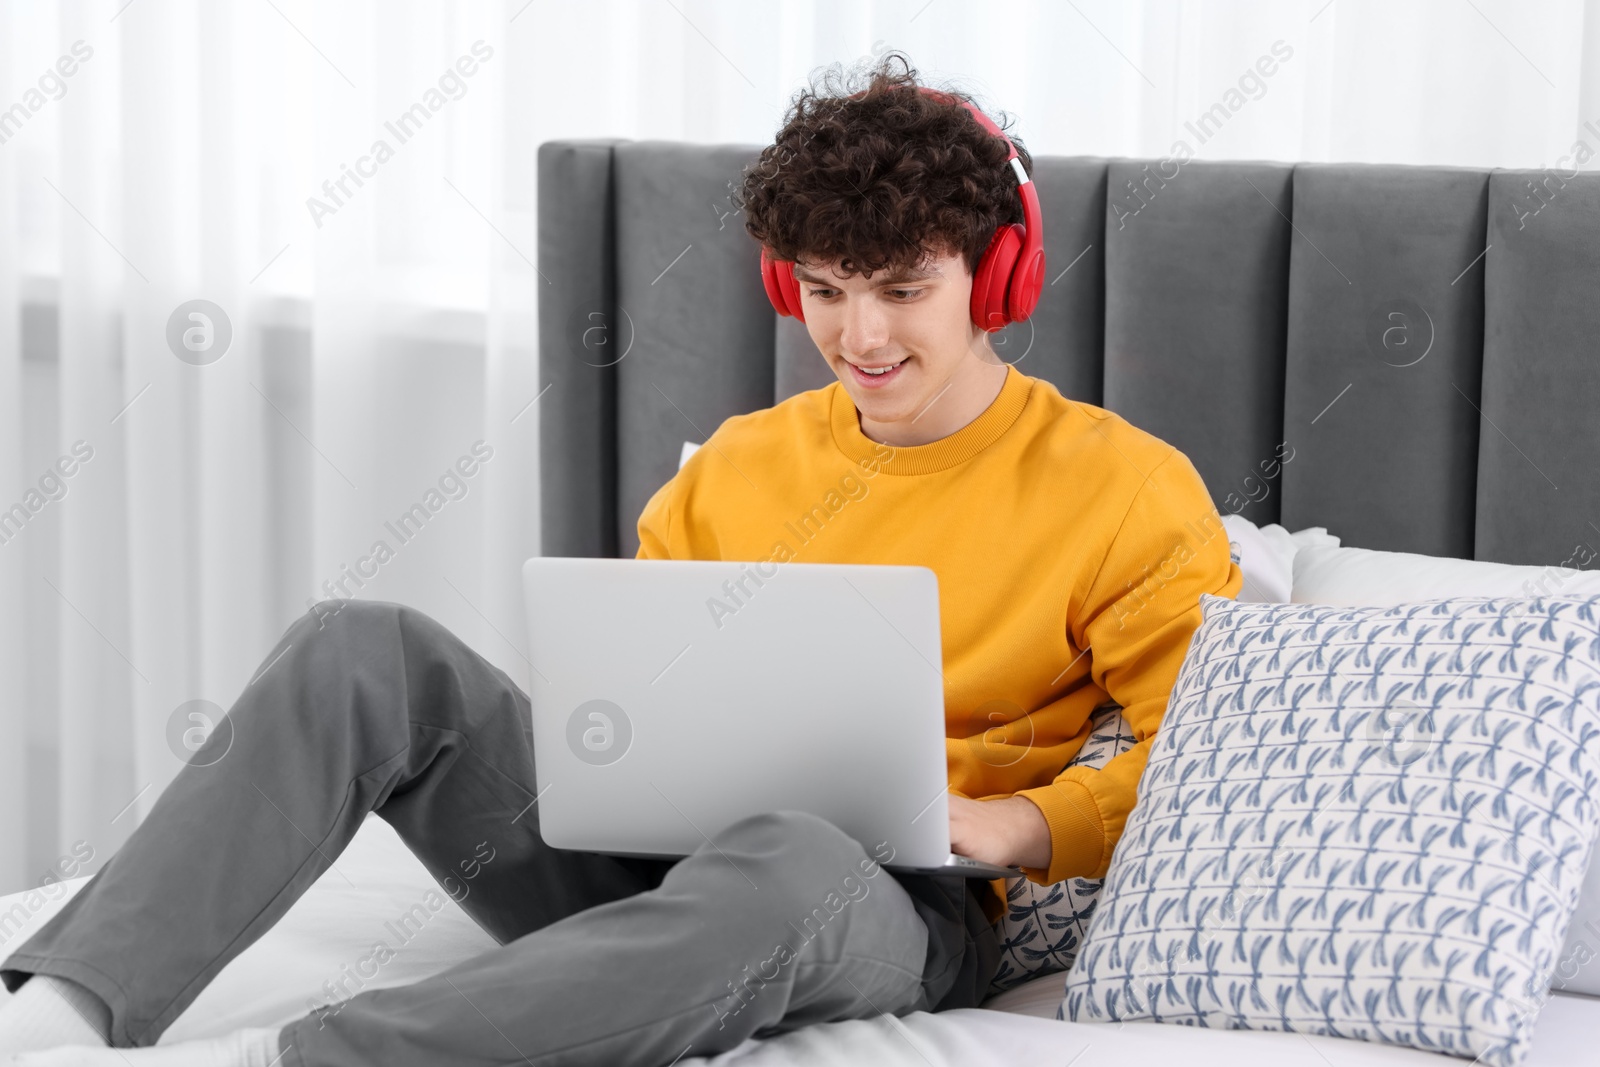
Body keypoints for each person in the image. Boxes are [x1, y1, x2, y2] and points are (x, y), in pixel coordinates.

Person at [0, 51, 1242, 1067]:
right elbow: (638, 688)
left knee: (793, 852)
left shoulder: (1120, 483)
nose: (857, 335)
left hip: (889, 903)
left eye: (902, 289)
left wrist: (1024, 820)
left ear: (996, 273)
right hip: (652, 866)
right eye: (821, 289)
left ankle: (289, 1060)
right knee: (359, 644)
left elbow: (1212, 753)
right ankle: (61, 1015)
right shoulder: (736, 465)